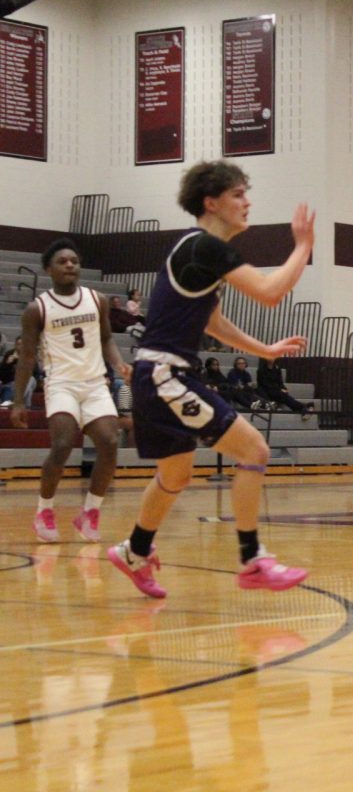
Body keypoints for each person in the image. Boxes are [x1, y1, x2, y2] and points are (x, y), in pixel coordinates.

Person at [106, 160, 316, 599]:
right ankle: (252, 559)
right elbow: (270, 292)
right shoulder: (206, 247)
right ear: (211, 202)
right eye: (239, 194)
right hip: (165, 376)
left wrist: (265, 350)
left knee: (176, 475)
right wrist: (302, 247)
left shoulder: (195, 253)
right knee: (254, 449)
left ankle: (133, 552)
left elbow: (213, 323)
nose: (247, 202)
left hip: (157, 375)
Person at [13, 239, 128, 544]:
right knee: (63, 444)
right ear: (49, 269)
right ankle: (44, 509)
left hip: (94, 383)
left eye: (74, 261)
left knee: (110, 441)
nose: (69, 265)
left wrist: (118, 364)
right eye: (63, 261)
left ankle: (90, 511)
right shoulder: (36, 308)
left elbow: (106, 339)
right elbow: (27, 357)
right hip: (61, 383)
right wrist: (17, 401)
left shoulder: (97, 299)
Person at [0, 336, 36, 408]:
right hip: (12, 383)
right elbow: (2, 376)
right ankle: (25, 405)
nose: (20, 346)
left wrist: (21, 361)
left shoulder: (30, 355)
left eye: (22, 344)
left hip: (26, 382)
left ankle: (17, 401)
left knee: (31, 379)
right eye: (18, 344)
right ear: (15, 345)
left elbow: (35, 372)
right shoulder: (9, 354)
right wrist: (7, 364)